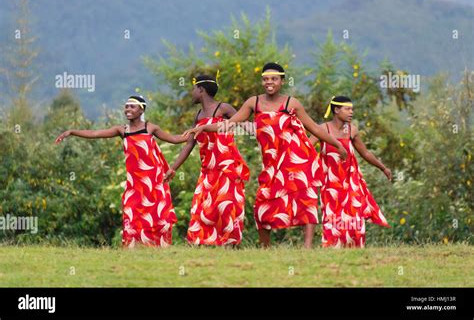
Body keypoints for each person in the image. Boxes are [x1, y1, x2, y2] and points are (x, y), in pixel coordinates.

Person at [183, 63, 347, 248]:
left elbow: (315, 128)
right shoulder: (254, 102)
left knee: (305, 199)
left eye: (274, 79)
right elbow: (229, 124)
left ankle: (307, 247)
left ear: (282, 81)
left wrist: (337, 144)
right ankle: (264, 247)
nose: (269, 82)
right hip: (271, 164)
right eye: (266, 79)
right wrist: (204, 127)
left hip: (297, 159)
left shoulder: (291, 103)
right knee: (263, 203)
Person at [55, 95, 187, 247]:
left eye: (132, 106)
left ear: (141, 110)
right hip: (135, 183)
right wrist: (72, 132)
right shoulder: (122, 130)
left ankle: (161, 247)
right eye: (126, 106)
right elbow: (95, 134)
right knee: (131, 212)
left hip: (154, 181)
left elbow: (175, 139)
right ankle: (132, 247)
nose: (128, 109)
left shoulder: (150, 127)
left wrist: (196, 132)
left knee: (158, 214)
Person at [164, 75, 250, 246]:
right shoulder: (199, 116)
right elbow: (189, 145)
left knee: (226, 205)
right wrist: (172, 168)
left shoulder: (223, 108)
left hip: (227, 166)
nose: (191, 93)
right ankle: (202, 242)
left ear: (201, 90)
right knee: (201, 208)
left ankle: (230, 244)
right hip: (208, 171)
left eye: (193, 89)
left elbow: (245, 124)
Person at [311, 96, 391, 248]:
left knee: (354, 216)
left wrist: (383, 168)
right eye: (347, 109)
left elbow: (365, 153)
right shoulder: (322, 129)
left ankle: (355, 249)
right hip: (330, 183)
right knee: (333, 218)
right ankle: (332, 248)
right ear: (336, 110)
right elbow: (307, 148)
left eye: (352, 109)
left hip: (351, 181)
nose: (351, 112)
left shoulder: (352, 130)